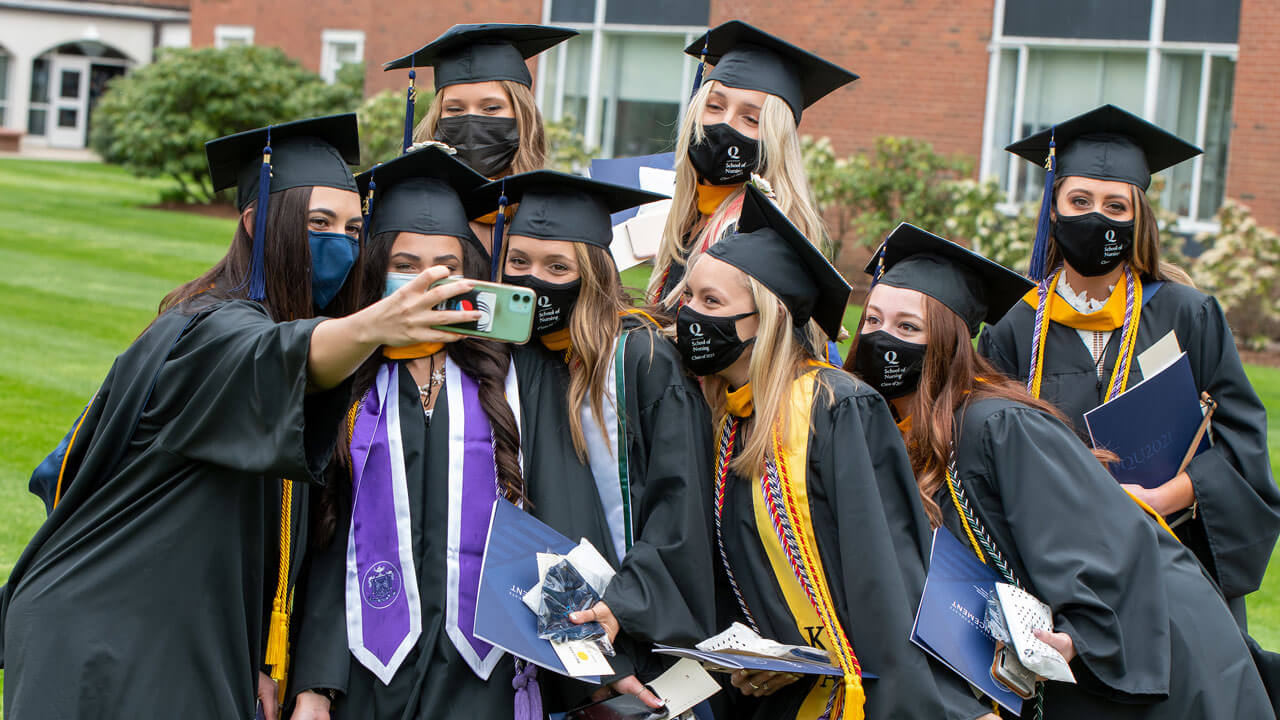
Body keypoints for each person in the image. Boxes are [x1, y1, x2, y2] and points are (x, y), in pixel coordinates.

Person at [0, 116, 485, 720]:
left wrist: (257, 652)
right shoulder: (214, 330)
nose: (341, 242)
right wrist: (374, 325)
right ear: (256, 224)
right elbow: (283, 357)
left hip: (187, 624)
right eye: (318, 223)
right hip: (111, 629)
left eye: (354, 228)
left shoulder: (245, 323)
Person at [850, 222, 1276, 718]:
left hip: (1157, 651)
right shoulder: (893, 433)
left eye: (908, 328)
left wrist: (1081, 632)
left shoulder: (997, 425)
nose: (884, 339)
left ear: (948, 342)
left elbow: (1105, 538)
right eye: (873, 321)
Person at [673, 184, 994, 720]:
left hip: (859, 690)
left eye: (711, 302)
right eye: (689, 297)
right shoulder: (722, 415)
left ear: (768, 319)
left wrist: (934, 706)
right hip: (781, 692)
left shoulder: (837, 407)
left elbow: (883, 569)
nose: (690, 316)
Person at [977, 104, 1280, 625]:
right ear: (1053, 209)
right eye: (1079, 201)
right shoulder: (1013, 329)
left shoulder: (1187, 314)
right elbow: (983, 459)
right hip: (1057, 570)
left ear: (1138, 217)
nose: (1096, 218)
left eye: (1116, 206)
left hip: (1173, 558)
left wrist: (1163, 499)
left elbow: (1240, 446)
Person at [282, 145, 543, 720]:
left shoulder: (509, 378)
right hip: (364, 666)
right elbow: (324, 539)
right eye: (405, 261)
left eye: (446, 264)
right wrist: (314, 684)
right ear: (375, 269)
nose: (426, 279)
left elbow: (546, 523)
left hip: (484, 670)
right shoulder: (344, 380)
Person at [478, 170, 717, 713]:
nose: (535, 279)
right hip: (523, 629)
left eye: (557, 266)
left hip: (624, 636)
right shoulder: (502, 359)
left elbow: (679, 511)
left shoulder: (641, 361)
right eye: (519, 263)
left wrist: (623, 607)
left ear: (593, 271)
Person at [646, 20, 856, 312]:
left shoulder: (757, 237)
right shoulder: (689, 217)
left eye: (751, 119)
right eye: (715, 107)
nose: (724, 124)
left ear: (776, 140)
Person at [385, 23, 576, 254]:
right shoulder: (403, 209)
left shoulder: (557, 213)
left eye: (491, 108)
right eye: (455, 110)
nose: (471, 122)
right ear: (438, 117)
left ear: (522, 115)